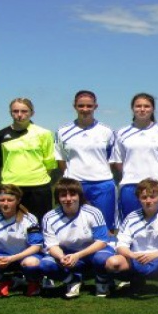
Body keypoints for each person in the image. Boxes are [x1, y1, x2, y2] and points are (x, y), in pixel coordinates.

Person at [105, 179, 158, 294]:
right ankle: (135, 279)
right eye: (144, 197)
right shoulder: (131, 217)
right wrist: (132, 255)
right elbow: (121, 245)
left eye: (152, 197)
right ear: (139, 199)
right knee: (112, 262)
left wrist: (155, 255)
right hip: (138, 260)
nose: (148, 201)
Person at [39, 178, 114, 298]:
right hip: (67, 255)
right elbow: (52, 245)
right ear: (58, 198)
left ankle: (102, 280)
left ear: (79, 196)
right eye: (63, 195)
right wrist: (62, 257)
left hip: (91, 253)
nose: (68, 199)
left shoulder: (93, 212)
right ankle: (72, 280)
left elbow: (102, 241)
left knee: (102, 258)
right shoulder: (49, 217)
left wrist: (78, 255)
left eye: (73, 194)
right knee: (46, 265)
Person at [55, 90, 117, 232]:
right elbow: (61, 159)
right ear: (75, 106)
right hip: (74, 184)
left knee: (105, 226)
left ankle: (106, 252)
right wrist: (71, 177)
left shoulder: (106, 130)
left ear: (95, 106)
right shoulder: (62, 131)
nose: (85, 109)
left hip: (102, 184)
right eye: (81, 105)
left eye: (89, 106)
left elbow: (111, 159)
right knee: (73, 224)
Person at [0, 98, 57, 223]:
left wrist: (37, 178)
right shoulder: (0, 136)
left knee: (40, 225)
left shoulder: (44, 133)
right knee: (11, 225)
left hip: (39, 187)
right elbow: (0, 164)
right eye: (15, 111)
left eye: (24, 111)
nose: (19, 115)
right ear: (10, 112)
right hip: (11, 187)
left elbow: (49, 162)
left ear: (32, 113)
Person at [111, 93, 158, 221]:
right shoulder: (121, 133)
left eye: (146, 106)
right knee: (130, 225)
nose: (142, 109)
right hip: (130, 185)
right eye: (138, 106)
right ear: (132, 109)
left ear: (153, 109)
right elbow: (118, 161)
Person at [0, 184, 43, 297]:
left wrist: (12, 258)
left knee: (31, 263)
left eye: (10, 200)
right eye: (2, 200)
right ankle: (6, 280)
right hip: (2, 258)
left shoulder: (29, 219)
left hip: (24, 257)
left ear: (18, 200)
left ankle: (33, 281)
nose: (5, 203)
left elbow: (36, 246)